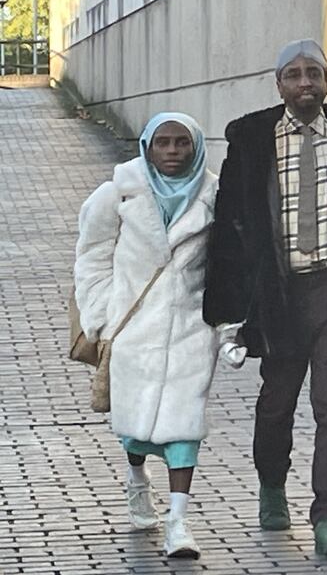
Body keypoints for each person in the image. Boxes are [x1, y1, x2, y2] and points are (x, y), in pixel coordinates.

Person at [203, 39, 327, 560]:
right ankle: (272, 486)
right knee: (276, 404)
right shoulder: (250, 137)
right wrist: (228, 313)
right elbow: (229, 227)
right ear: (279, 84)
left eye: (313, 73)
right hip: (279, 295)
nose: (304, 83)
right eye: (293, 75)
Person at [74, 113, 220, 559]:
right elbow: (92, 257)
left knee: (184, 425)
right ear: (147, 147)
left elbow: (228, 265)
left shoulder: (215, 195)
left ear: (195, 147)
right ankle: (137, 477)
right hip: (132, 326)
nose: (173, 151)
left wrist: (227, 321)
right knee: (135, 427)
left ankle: (179, 522)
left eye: (182, 143)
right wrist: (101, 315)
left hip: (191, 328)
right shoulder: (116, 193)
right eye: (164, 143)